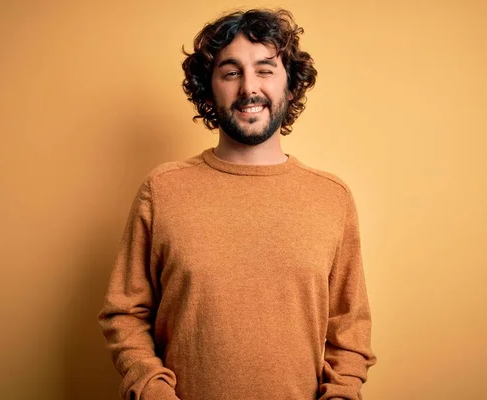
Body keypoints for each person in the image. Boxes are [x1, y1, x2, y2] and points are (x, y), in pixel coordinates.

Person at [98, 8, 376, 400]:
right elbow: (123, 313)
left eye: (265, 70)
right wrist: (152, 390)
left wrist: (342, 393)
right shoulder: (162, 190)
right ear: (209, 91)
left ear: (291, 86)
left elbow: (350, 328)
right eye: (231, 72)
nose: (249, 88)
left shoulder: (332, 198)